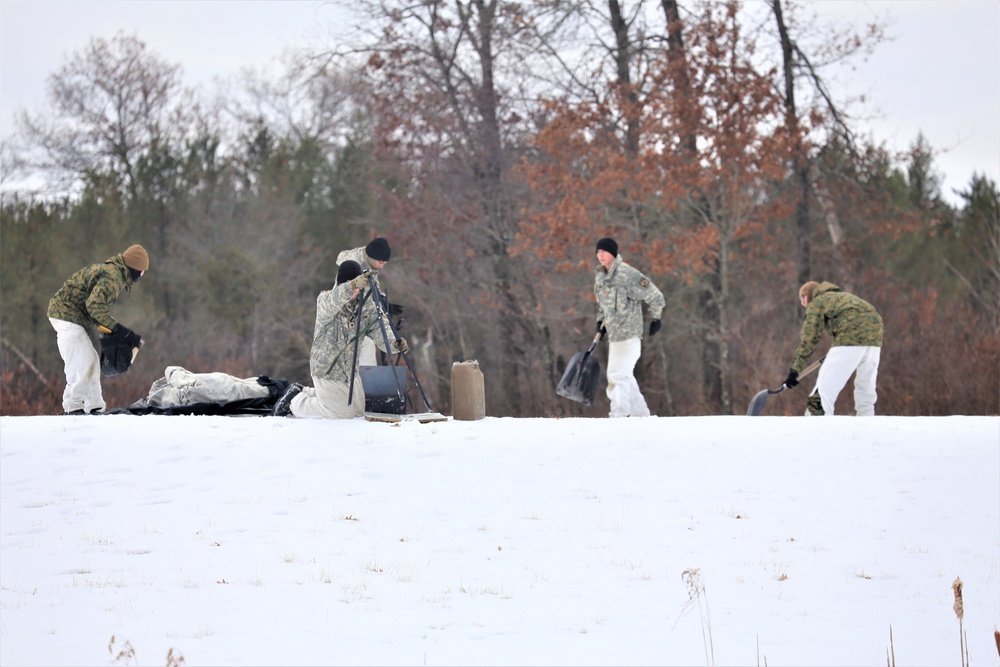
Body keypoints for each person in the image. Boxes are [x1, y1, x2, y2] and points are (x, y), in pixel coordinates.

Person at [273, 260, 409, 419]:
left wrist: (394, 343)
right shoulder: (326, 299)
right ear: (339, 283)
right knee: (340, 414)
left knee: (357, 412)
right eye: (348, 284)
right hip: (327, 370)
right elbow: (335, 299)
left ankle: (307, 391)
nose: (354, 291)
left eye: (356, 286)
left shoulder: (366, 307)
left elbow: (380, 328)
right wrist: (350, 286)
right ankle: (295, 402)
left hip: (350, 371)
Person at [47, 244, 149, 415]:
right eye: (142, 270)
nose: (142, 274)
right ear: (135, 268)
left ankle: (94, 405)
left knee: (91, 360)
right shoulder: (113, 277)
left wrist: (114, 332)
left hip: (71, 316)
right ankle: (74, 406)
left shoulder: (114, 273)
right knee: (83, 361)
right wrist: (119, 330)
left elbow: (94, 309)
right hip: (66, 315)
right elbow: (94, 306)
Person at [783, 280, 883, 416]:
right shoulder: (843, 297)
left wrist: (795, 370)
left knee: (823, 391)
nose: (802, 303)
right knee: (865, 386)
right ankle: (866, 422)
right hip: (875, 335)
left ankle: (814, 429)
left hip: (850, 337)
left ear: (810, 295)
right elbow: (854, 318)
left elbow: (809, 339)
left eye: (803, 298)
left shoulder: (818, 302)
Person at [593, 237, 665, 418]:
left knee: (617, 375)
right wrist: (600, 325)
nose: (600, 255)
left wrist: (656, 318)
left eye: (604, 251)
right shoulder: (601, 277)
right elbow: (603, 305)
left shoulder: (627, 274)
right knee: (625, 376)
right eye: (598, 252)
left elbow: (654, 294)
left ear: (613, 253)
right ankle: (642, 416)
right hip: (615, 337)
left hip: (629, 336)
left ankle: (618, 415)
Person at [336, 237, 396, 367]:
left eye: (384, 263)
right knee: (365, 344)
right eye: (380, 262)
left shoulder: (371, 266)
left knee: (370, 342)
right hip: (347, 312)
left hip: (362, 311)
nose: (381, 266)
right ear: (372, 257)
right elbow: (352, 292)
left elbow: (373, 287)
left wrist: (383, 300)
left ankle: (367, 379)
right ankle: (363, 381)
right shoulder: (355, 263)